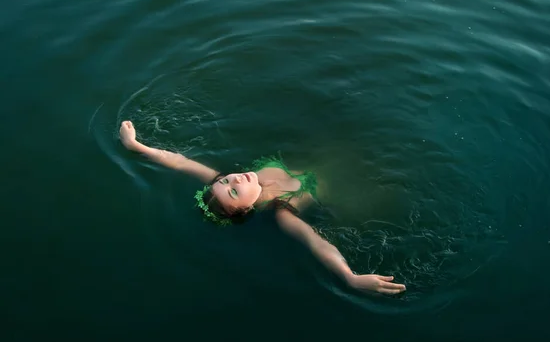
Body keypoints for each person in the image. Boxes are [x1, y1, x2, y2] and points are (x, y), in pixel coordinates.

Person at [119, 120, 406, 295]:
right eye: (233, 190)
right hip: (343, 184)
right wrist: (349, 277)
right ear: (242, 210)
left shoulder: (230, 180)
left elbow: (180, 162)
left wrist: (137, 147)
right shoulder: (281, 212)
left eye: (226, 180)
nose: (232, 178)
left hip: (320, 154)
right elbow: (315, 242)